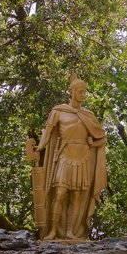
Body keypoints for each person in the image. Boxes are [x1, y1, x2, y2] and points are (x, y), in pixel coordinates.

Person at [35, 74, 107, 240]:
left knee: (76, 196)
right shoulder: (59, 111)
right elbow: (48, 131)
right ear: (72, 92)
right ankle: (52, 231)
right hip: (64, 157)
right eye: (80, 91)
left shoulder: (88, 115)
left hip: (83, 158)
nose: (83, 94)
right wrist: (40, 146)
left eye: (84, 92)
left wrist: (92, 144)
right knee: (60, 194)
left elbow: (102, 139)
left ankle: (70, 232)